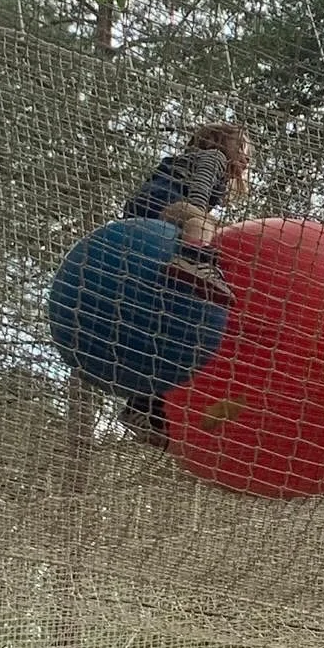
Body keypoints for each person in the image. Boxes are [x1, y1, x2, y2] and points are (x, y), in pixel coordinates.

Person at [118, 123, 250, 446]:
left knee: (169, 326)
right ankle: (193, 260)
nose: (246, 158)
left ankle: (144, 408)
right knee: (204, 222)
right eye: (242, 149)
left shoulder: (191, 160)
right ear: (221, 143)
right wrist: (199, 220)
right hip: (163, 205)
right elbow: (199, 192)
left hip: (145, 214)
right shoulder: (214, 158)